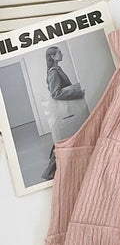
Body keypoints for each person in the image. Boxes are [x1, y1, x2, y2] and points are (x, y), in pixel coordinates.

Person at [41, 46, 86, 180]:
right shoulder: (53, 72)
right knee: (62, 141)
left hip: (67, 114)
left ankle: (51, 171)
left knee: (61, 140)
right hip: (66, 114)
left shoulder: (57, 69)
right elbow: (56, 93)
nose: (62, 54)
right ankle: (50, 172)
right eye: (59, 52)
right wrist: (78, 92)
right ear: (52, 57)